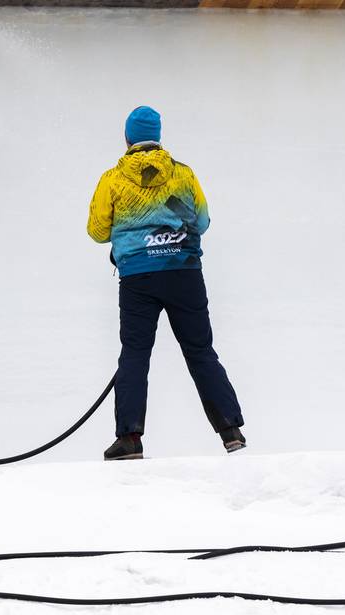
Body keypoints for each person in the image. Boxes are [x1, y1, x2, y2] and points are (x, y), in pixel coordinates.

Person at [87, 106, 245, 461]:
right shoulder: (183, 175)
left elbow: (97, 231)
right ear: (158, 137)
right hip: (184, 274)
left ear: (127, 138)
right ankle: (230, 430)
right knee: (200, 351)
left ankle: (129, 439)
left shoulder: (112, 179)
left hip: (138, 279)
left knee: (135, 355)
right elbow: (201, 222)